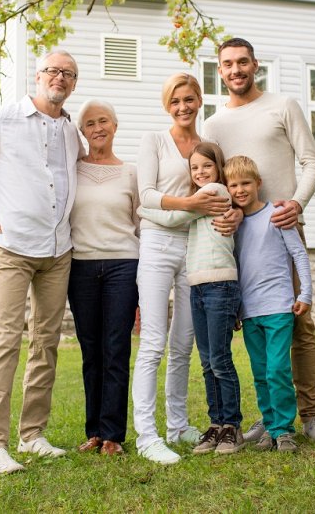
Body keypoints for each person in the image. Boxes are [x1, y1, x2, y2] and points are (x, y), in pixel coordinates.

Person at [0, 50, 84, 475]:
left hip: (59, 252)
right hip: (13, 248)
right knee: (4, 341)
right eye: (52, 71)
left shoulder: (72, 132)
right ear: (38, 75)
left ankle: (33, 435)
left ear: (73, 84)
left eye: (68, 74)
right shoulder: (5, 118)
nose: (58, 78)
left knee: (46, 344)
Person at [202, 37, 315, 444]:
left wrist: (296, 203)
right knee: (255, 326)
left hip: (282, 229)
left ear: (255, 65)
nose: (235, 70)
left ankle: (311, 416)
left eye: (242, 62)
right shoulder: (213, 124)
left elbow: (312, 162)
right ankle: (268, 416)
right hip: (238, 239)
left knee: (298, 322)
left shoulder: (283, 106)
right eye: (227, 64)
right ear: (219, 70)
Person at [132, 73, 232, 465]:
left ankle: (177, 426)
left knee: (183, 344)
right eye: (175, 101)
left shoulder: (209, 147)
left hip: (195, 248)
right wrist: (190, 205)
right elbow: (147, 196)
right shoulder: (153, 141)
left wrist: (228, 214)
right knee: (154, 342)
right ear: (166, 105)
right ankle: (147, 435)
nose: (183, 107)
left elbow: (222, 195)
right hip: (157, 245)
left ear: (199, 100)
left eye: (189, 99)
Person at [139, 142, 244, 455]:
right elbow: (181, 217)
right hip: (198, 284)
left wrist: (143, 208)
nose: (200, 172)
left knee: (220, 360)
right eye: (194, 168)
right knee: (208, 359)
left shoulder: (215, 192)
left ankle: (232, 427)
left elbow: (173, 219)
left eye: (206, 166)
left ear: (218, 169)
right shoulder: (200, 197)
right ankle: (216, 424)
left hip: (220, 284)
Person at [68, 99, 140, 456]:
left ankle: (113, 434)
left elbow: (140, 224)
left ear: (115, 126)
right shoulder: (72, 170)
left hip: (123, 266)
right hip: (80, 266)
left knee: (116, 348)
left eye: (104, 121)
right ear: (82, 132)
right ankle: (94, 431)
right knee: (90, 350)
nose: (97, 128)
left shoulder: (131, 173)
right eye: (90, 124)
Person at [226, 155, 312, 452]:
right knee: (261, 372)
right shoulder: (234, 226)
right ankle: (270, 424)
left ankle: (284, 429)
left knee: (277, 369)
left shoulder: (277, 215)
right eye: (233, 185)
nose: (240, 190)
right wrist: (236, 309)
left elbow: (299, 255)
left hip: (278, 307)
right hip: (250, 312)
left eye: (245, 183)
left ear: (258, 183)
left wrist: (306, 295)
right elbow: (236, 266)